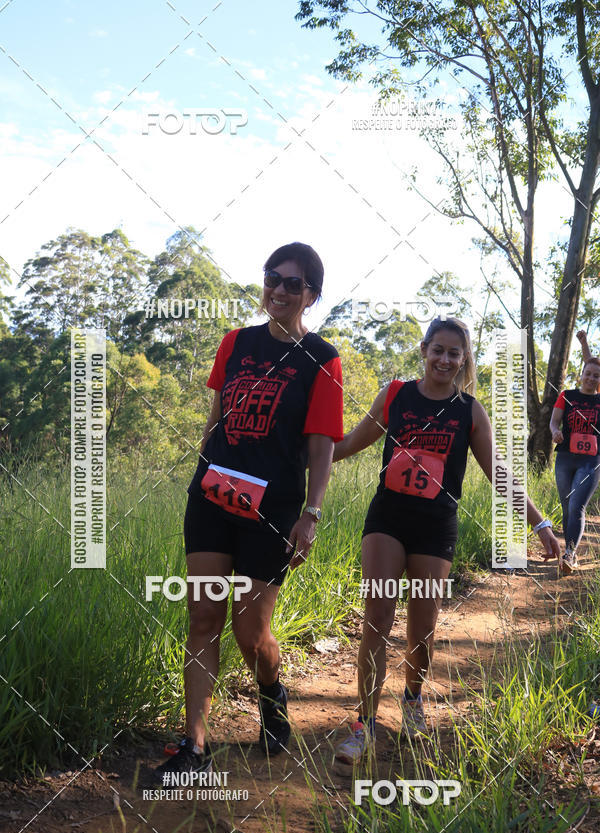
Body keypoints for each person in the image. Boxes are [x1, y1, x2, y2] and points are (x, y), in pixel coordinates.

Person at [332, 317, 560, 774]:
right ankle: (365, 724)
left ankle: (413, 699)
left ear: (464, 359)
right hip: (387, 519)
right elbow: (349, 443)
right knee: (376, 616)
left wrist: (540, 524)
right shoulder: (396, 394)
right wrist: (298, 454)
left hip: (435, 528)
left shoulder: (469, 411)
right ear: (424, 350)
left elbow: (499, 473)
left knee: (423, 627)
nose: (445, 359)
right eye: (438, 349)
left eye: (454, 353)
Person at [155, 242, 343, 781]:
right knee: (203, 616)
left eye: (294, 283)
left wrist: (311, 513)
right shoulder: (235, 342)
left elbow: (320, 444)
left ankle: (271, 689)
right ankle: (195, 744)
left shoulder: (322, 359)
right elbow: (215, 417)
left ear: (312, 295)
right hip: (213, 497)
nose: (280, 289)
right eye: (273, 278)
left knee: (249, 632)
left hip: (275, 508)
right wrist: (202, 463)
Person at [550, 336, 600, 573]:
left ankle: (569, 555)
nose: (591, 378)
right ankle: (570, 551)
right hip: (565, 458)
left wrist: (584, 344)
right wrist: (554, 432)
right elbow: (554, 422)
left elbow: (592, 361)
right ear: (581, 375)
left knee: (577, 506)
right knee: (567, 505)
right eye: (587, 373)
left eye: (596, 376)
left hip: (591, 461)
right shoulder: (567, 395)